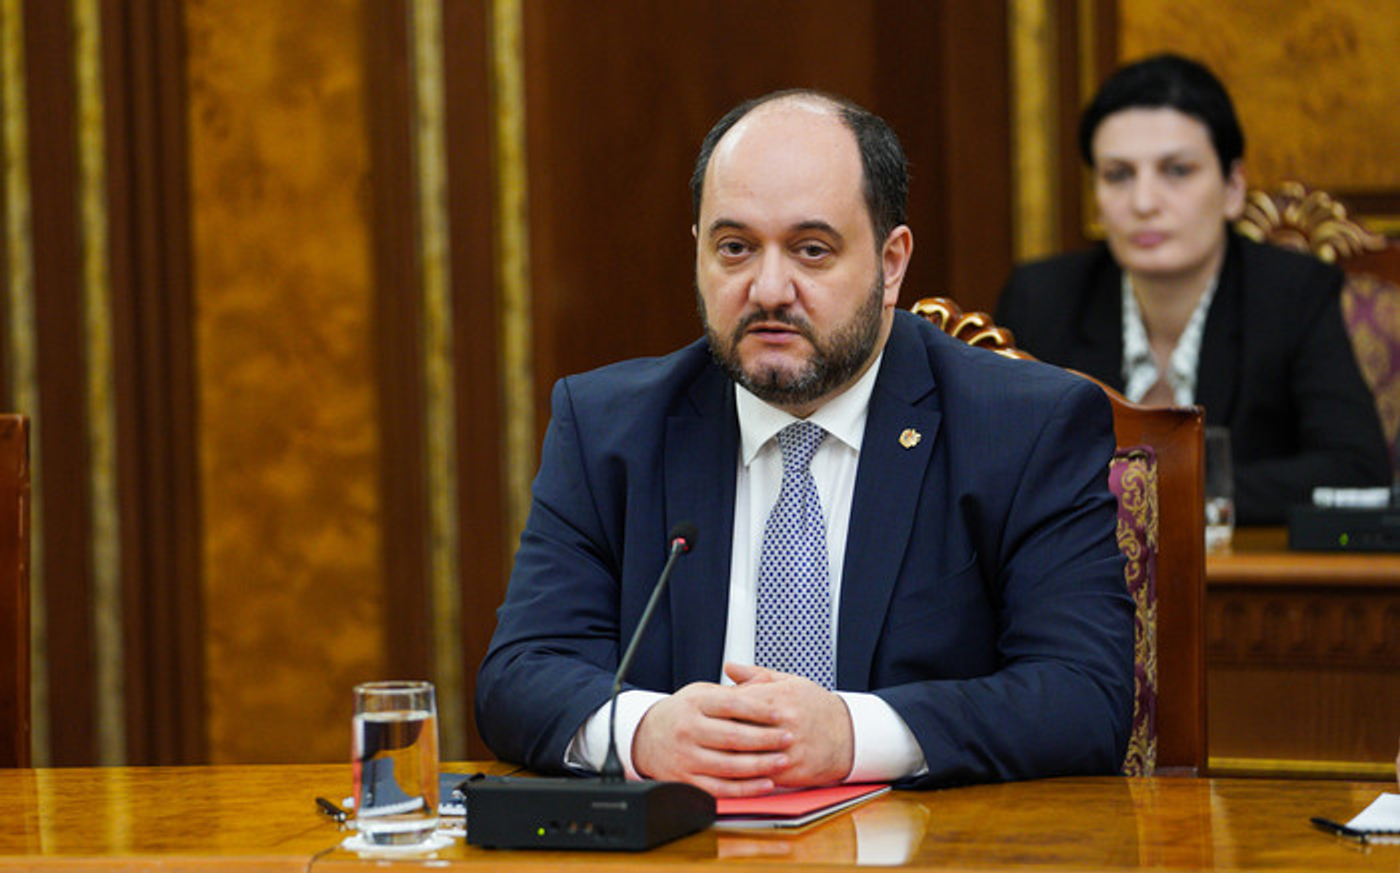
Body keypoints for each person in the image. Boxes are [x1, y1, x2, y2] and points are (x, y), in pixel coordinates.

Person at [476, 89, 1134, 797]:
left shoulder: (1023, 427)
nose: (768, 289)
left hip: (926, 854)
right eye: (734, 248)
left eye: (811, 250)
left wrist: (853, 735)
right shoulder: (609, 429)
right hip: (686, 853)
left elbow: (1082, 696)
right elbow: (519, 674)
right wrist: (643, 731)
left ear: (891, 263)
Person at [996, 54, 1389, 526]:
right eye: (1118, 175)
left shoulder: (1292, 293)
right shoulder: (1041, 298)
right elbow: (995, 468)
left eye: (1177, 171)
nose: (1144, 203)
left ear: (1233, 188)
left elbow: (1356, 471)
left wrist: (1152, 491)